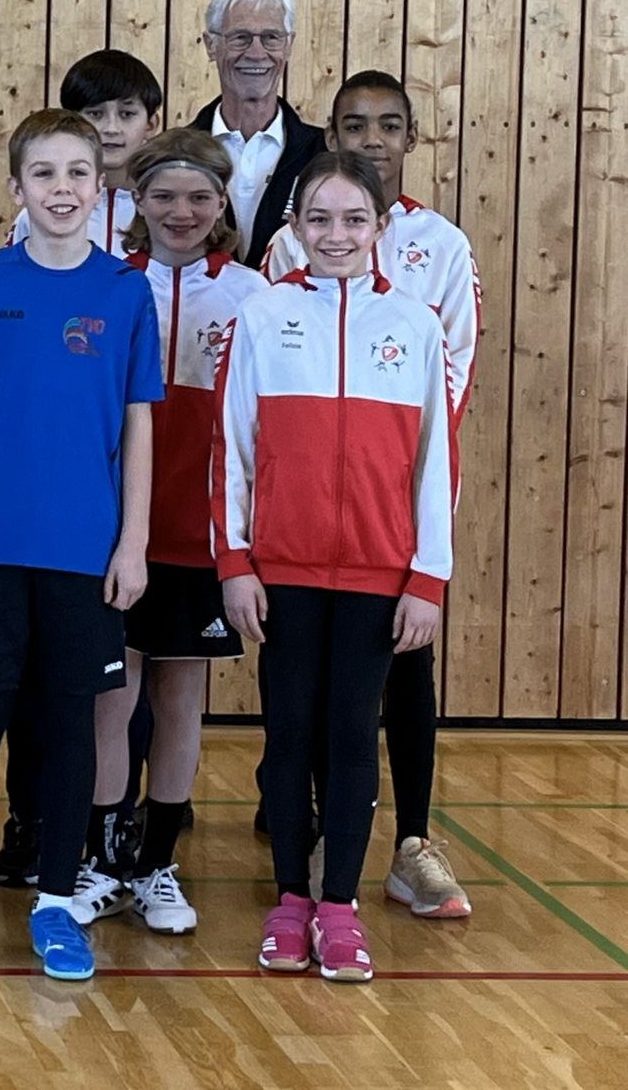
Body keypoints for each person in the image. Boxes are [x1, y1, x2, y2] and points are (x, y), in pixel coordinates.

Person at [0, 108, 161, 983]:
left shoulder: (125, 291)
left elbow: (139, 426)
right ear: (17, 187)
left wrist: (133, 542)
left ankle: (57, 904)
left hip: (84, 556)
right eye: (44, 174)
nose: (62, 189)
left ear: (102, 187)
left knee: (71, 733)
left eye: (78, 173)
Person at [216, 151, 452, 983]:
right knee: (288, 734)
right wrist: (235, 561)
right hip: (282, 571)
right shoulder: (261, 315)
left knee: (353, 736)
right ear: (294, 227)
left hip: (379, 575)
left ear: (381, 227)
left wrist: (427, 578)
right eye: (319, 218)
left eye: (355, 219)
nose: (337, 234)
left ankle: (340, 906)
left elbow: (436, 464)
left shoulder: (415, 325)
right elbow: (231, 449)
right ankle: (290, 900)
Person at [264, 71, 481, 921]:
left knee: (404, 670)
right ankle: (327, 839)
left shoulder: (443, 245)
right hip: (309, 516)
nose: (371, 139)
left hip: (398, 501)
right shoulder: (292, 243)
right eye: (354, 125)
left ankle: (414, 843)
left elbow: (450, 375)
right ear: (332, 138)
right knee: (321, 688)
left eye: (389, 125)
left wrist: (405, 487)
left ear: (411, 139)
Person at [68, 132, 266, 936]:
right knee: (111, 699)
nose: (181, 212)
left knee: (180, 701)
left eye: (198, 198)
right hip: (117, 532)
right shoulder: (112, 285)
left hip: (199, 535)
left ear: (222, 206)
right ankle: (103, 860)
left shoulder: (254, 295)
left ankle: (156, 865)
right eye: (163, 196)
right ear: (137, 203)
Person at [187, 0, 326, 266]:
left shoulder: (323, 153)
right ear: (211, 45)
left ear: (288, 45)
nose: (256, 53)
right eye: (240, 37)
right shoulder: (175, 154)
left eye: (271, 37)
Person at [9, 50, 161, 255]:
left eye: (127, 114)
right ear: (72, 122)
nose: (112, 128)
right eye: (95, 114)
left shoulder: (165, 210)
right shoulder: (40, 214)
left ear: (151, 125)